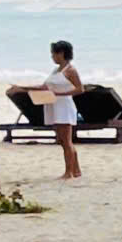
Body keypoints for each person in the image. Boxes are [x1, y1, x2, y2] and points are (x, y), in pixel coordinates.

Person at [42, 40, 82, 181]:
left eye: (54, 53)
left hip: (64, 106)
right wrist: (22, 88)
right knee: (62, 140)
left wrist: (60, 94)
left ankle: (68, 172)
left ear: (62, 53)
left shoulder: (70, 70)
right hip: (54, 106)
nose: (52, 56)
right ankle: (76, 170)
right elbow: (44, 87)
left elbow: (79, 89)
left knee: (66, 141)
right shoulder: (56, 70)